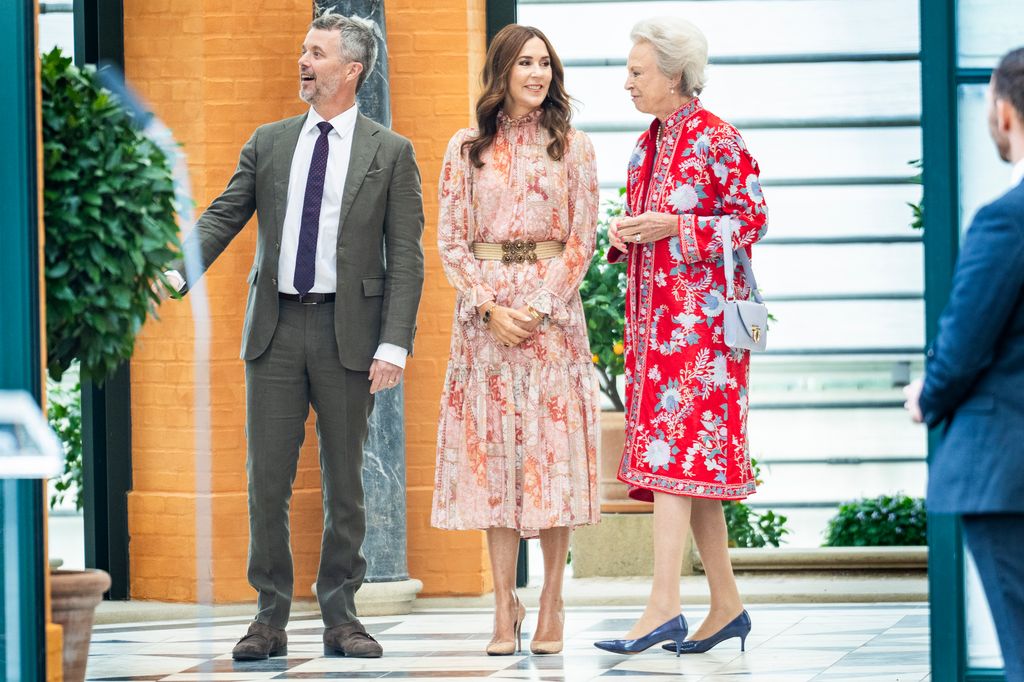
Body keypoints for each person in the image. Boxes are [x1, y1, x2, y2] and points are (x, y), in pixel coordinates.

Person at [160, 9, 424, 661]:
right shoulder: (270, 141)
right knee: (266, 481)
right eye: (303, 50)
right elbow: (225, 212)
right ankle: (268, 615)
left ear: (351, 69)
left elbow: (407, 255)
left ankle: (342, 615)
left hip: (351, 334)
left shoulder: (390, 153)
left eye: (316, 52)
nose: (302, 62)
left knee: (346, 482)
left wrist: (394, 344)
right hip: (275, 329)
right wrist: (173, 271)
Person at [593, 17, 767, 656]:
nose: (629, 83)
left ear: (674, 74)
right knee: (689, 473)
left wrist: (677, 228)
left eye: (638, 72)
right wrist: (628, 233)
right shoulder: (646, 145)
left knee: (674, 466)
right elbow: (651, 227)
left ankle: (663, 605)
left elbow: (751, 221)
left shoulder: (720, 139)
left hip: (705, 339)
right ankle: (725, 606)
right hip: (654, 332)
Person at [430, 24, 601, 657]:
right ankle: (504, 606)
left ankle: (554, 598)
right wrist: (489, 307)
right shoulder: (465, 146)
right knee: (497, 463)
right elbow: (450, 239)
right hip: (485, 329)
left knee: (553, 460)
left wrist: (538, 304)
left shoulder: (574, 147)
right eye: (525, 63)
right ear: (501, 69)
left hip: (552, 323)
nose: (537, 74)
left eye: (546, 64)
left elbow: (582, 240)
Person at [903, 47, 1024, 682]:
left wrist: (930, 392)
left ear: (1004, 113)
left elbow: (966, 339)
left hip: (1009, 470)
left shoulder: (1008, 219)